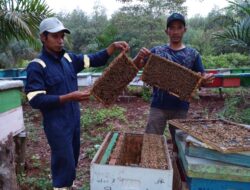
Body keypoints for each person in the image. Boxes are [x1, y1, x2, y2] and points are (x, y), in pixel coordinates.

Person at [25, 17, 129, 190]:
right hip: (56, 124)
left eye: (62, 36)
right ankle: (60, 187)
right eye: (55, 36)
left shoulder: (68, 59)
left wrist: (111, 48)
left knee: (72, 158)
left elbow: (91, 59)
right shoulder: (37, 66)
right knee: (63, 161)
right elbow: (35, 100)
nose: (60, 40)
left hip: (73, 121)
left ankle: (69, 185)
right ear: (43, 38)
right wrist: (69, 97)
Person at [133, 13, 213, 135]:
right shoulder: (157, 51)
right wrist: (139, 56)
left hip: (181, 107)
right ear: (167, 31)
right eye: (172, 28)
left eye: (179, 27)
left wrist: (205, 79)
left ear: (184, 30)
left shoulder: (193, 54)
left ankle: (176, 153)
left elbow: (201, 77)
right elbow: (135, 67)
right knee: (151, 141)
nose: (175, 32)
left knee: (179, 145)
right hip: (158, 106)